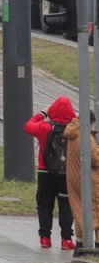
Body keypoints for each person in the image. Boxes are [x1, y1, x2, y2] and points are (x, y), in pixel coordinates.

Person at [24, 96, 76, 249]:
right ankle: (66, 239)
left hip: (45, 171)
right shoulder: (74, 130)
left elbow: (28, 126)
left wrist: (43, 113)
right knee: (66, 205)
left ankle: (45, 238)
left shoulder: (45, 128)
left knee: (45, 204)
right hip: (67, 173)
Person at [64, 111, 99, 248]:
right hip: (90, 180)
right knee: (96, 210)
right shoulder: (85, 136)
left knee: (80, 210)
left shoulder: (72, 133)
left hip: (74, 179)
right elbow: (94, 159)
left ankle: (80, 243)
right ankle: (97, 246)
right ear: (91, 122)